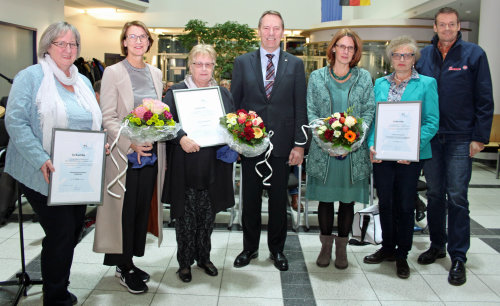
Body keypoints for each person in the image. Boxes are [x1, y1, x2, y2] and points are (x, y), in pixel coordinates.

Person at [4, 21, 102, 305]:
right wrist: (41, 157)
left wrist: (100, 145)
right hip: (40, 169)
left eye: (73, 44)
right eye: (62, 43)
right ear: (47, 46)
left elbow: (89, 123)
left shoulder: (82, 81)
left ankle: (59, 282)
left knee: (72, 231)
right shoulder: (31, 77)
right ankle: (55, 295)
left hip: (75, 172)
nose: (68, 49)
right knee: (60, 232)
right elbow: (16, 122)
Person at [415, 7, 494, 286]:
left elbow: (485, 98)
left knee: (458, 196)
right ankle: (437, 245)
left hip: (461, 137)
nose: (447, 29)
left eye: (452, 24)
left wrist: (479, 137)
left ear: (459, 26)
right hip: (431, 138)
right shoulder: (423, 57)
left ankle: (458, 255)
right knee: (435, 194)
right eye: (442, 25)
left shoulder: (474, 55)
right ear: (434, 28)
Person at [231, 10, 308, 272]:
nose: (271, 33)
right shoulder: (242, 63)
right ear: (259, 31)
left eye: (276, 28)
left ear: (283, 32)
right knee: (250, 200)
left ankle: (277, 250)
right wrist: (237, 142)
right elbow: (236, 105)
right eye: (266, 28)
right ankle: (249, 248)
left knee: (278, 202)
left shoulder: (295, 65)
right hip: (251, 144)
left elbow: (301, 107)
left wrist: (300, 145)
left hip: (283, 146)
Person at [93, 21, 166, 294]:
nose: (138, 41)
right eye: (132, 37)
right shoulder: (113, 72)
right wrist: (130, 142)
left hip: (149, 156)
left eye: (143, 36)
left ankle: (130, 261)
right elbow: (107, 116)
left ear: (149, 42)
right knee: (122, 212)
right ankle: (122, 266)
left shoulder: (155, 73)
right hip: (125, 157)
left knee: (139, 211)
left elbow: (158, 113)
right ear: (124, 42)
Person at [363, 35, 439, 279]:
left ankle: (402, 254)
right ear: (391, 58)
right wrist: (372, 145)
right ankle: (387, 247)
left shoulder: (427, 84)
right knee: (385, 203)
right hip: (382, 157)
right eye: (397, 55)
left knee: (405, 205)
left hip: (410, 157)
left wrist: (412, 148)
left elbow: (431, 122)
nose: (402, 59)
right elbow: (374, 120)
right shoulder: (380, 84)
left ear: (414, 58)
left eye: (407, 55)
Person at [162, 44, 235, 282]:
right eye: (198, 64)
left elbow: (231, 124)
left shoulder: (222, 93)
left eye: (208, 64)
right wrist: (181, 137)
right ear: (190, 66)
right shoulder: (176, 92)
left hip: (213, 165)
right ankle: (184, 263)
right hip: (185, 163)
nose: (204, 69)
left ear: (214, 66)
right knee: (185, 217)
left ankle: (204, 257)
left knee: (207, 215)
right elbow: (166, 124)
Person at [306, 29, 375, 269]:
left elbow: (368, 111)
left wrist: (353, 142)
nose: (346, 51)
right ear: (333, 47)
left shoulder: (364, 77)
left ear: (355, 52)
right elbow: (312, 112)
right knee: (325, 201)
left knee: (347, 202)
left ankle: (342, 249)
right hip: (324, 152)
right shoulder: (317, 76)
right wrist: (327, 143)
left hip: (352, 153)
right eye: (342, 46)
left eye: (351, 48)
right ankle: (325, 246)